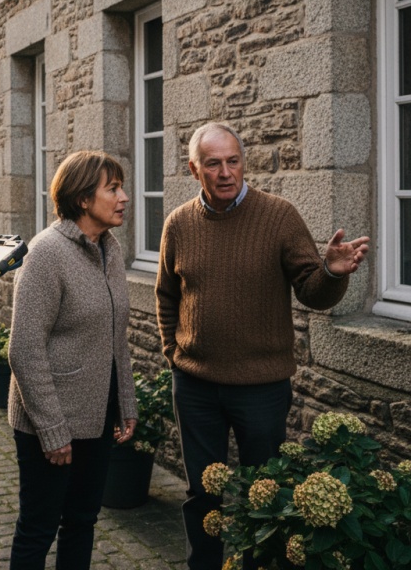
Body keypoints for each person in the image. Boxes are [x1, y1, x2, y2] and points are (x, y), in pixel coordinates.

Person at [156, 122, 369, 570]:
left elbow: (312, 291)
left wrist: (331, 272)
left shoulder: (279, 216)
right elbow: (166, 296)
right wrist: (173, 353)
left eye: (233, 161)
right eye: (213, 164)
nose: (225, 172)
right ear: (194, 169)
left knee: (265, 497)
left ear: (243, 162)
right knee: (201, 494)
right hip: (194, 387)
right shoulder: (178, 224)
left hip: (262, 389)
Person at [6, 150, 139, 570]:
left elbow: (116, 337)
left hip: (96, 418)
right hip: (49, 421)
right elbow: (24, 349)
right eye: (112, 189)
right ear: (82, 198)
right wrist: (52, 431)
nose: (124, 197)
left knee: (82, 521)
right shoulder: (46, 253)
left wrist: (126, 403)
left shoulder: (109, 249)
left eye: (121, 188)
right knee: (38, 528)